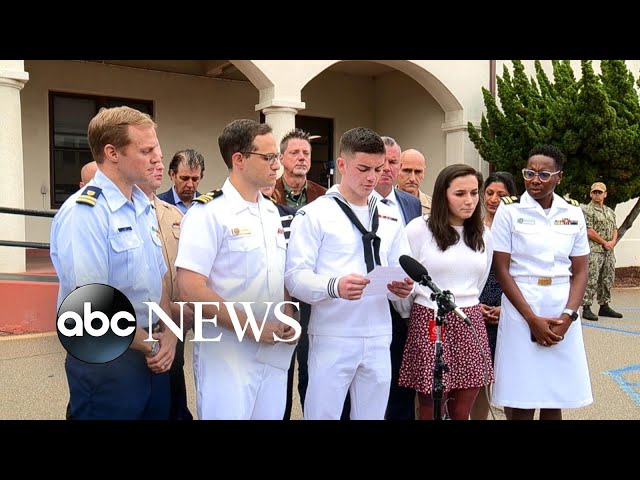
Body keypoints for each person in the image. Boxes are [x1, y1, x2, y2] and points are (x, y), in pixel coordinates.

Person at [50, 106, 177, 420]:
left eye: (156, 150)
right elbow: (91, 304)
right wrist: (150, 344)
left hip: (152, 350)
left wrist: (169, 333)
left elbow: (158, 277)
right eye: (146, 151)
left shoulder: (142, 206)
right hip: (107, 361)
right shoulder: (85, 213)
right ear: (112, 153)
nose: (157, 159)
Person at [285, 127, 414, 420]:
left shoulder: (390, 215)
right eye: (363, 169)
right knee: (324, 414)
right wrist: (334, 286)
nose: (372, 177)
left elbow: (402, 264)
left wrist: (403, 287)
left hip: (379, 331)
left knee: (373, 415)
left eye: (378, 169)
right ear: (342, 165)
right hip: (334, 332)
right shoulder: (315, 214)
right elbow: (295, 276)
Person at [175, 119, 296, 420]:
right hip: (228, 356)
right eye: (268, 157)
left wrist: (288, 314)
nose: (277, 165)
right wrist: (252, 327)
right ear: (239, 160)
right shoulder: (208, 212)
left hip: (272, 352)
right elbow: (189, 287)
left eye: (277, 157)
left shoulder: (270, 211)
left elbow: (277, 272)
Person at [491, 144, 592, 420]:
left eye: (544, 175)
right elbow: (501, 269)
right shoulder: (510, 211)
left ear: (559, 177)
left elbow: (580, 270)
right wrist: (531, 319)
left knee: (553, 397)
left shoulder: (572, 212)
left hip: (561, 306)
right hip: (522, 306)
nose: (535, 180)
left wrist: (569, 316)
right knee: (522, 396)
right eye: (529, 173)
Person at [398, 164, 493, 420]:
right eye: (460, 194)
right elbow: (405, 279)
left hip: (469, 319)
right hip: (429, 319)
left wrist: (465, 301)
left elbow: (480, 280)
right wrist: (412, 314)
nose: (469, 200)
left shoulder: (484, 234)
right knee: (431, 404)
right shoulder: (418, 229)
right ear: (443, 195)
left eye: (474, 193)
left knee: (462, 408)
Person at [273, 128, 327, 420]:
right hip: (277, 293)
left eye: (306, 153)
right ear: (281, 158)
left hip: (311, 295)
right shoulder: (266, 193)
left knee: (311, 367)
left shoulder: (323, 197)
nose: (302, 158)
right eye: (295, 152)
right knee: (280, 368)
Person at [138, 158, 195, 420]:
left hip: (175, 317)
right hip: (142, 321)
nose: (157, 167)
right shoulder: (126, 215)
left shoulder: (174, 214)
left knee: (173, 376)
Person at [374, 136, 422, 420]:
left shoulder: (411, 204)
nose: (386, 168)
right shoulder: (352, 202)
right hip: (370, 302)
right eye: (381, 162)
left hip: (404, 307)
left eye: (393, 162)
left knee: (401, 386)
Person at [469, 171, 517, 421]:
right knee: (478, 380)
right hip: (475, 309)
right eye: (489, 193)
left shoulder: (519, 231)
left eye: (501, 194)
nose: (493, 199)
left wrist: (506, 308)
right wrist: (475, 306)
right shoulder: (471, 228)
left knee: (509, 381)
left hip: (509, 310)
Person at [580, 181, 623, 321]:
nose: (597, 194)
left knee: (607, 278)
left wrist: (613, 242)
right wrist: (604, 242)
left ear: (605, 194)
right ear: (591, 194)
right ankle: (586, 307)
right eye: (595, 192)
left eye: (600, 192)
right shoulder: (587, 210)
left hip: (608, 251)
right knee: (592, 279)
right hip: (594, 251)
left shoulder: (609, 211)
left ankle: (604, 306)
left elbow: (615, 228)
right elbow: (589, 230)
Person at [157, 149, 205, 213]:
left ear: (201, 177)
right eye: (184, 178)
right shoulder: (157, 204)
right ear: (172, 175)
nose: (190, 185)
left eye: (195, 179)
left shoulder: (208, 206)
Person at [397, 148, 432, 215]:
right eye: (407, 171)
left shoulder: (434, 207)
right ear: (397, 170)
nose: (412, 179)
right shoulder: (384, 203)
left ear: (424, 173)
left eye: (418, 172)